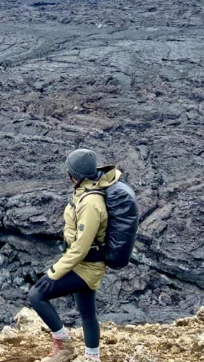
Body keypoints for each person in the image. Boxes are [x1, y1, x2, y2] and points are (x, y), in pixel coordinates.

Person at [27, 149, 122, 362]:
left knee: (36, 295)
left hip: (86, 266)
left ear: (75, 175)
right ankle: (92, 358)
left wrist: (54, 272)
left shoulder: (91, 203)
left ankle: (65, 348)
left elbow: (81, 247)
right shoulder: (86, 191)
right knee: (87, 312)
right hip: (87, 263)